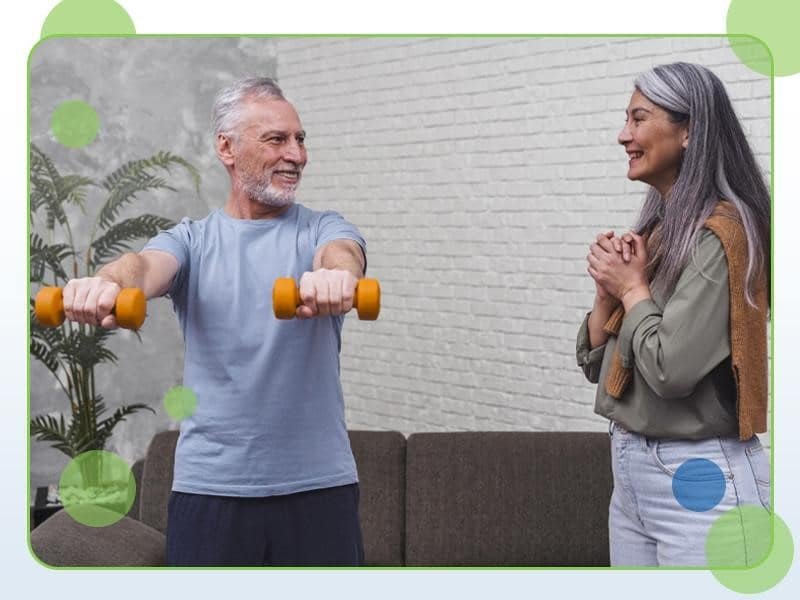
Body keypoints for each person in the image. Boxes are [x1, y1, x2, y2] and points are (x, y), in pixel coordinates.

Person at [61, 77, 367, 566]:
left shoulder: (321, 229)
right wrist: (106, 284)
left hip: (319, 486)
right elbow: (140, 268)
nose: (298, 154)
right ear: (227, 147)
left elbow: (344, 256)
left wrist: (335, 278)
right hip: (212, 490)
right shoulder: (192, 240)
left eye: (300, 139)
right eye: (277, 139)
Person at [576, 63, 771, 567]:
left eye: (639, 119)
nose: (624, 135)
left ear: (689, 131)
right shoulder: (663, 229)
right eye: (626, 120)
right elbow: (601, 368)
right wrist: (608, 294)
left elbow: (671, 370)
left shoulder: (721, 235)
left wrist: (633, 288)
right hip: (633, 473)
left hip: (697, 477)